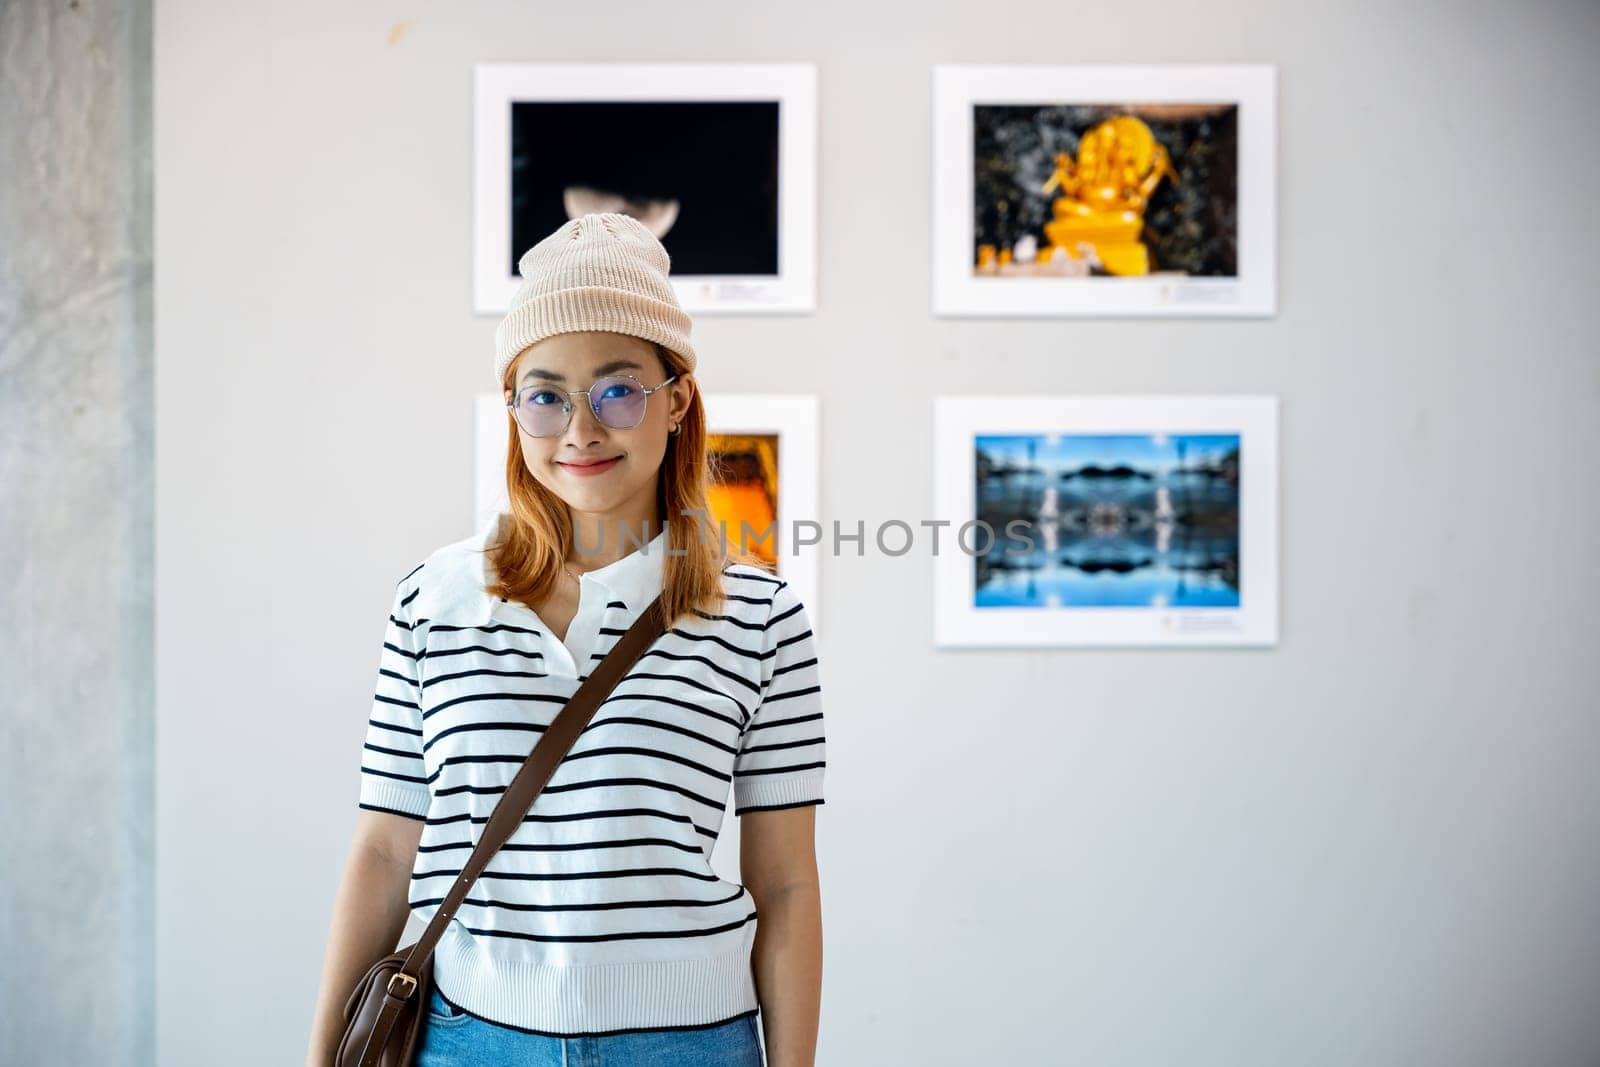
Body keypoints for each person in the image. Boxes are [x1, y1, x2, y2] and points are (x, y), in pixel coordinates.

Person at [305, 213, 826, 1066]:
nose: (580, 429)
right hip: (466, 1038)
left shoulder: (761, 615)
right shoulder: (433, 600)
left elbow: (788, 885)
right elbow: (382, 849)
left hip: (690, 1045)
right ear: (514, 411)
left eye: (617, 389)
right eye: (544, 395)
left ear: (678, 398)